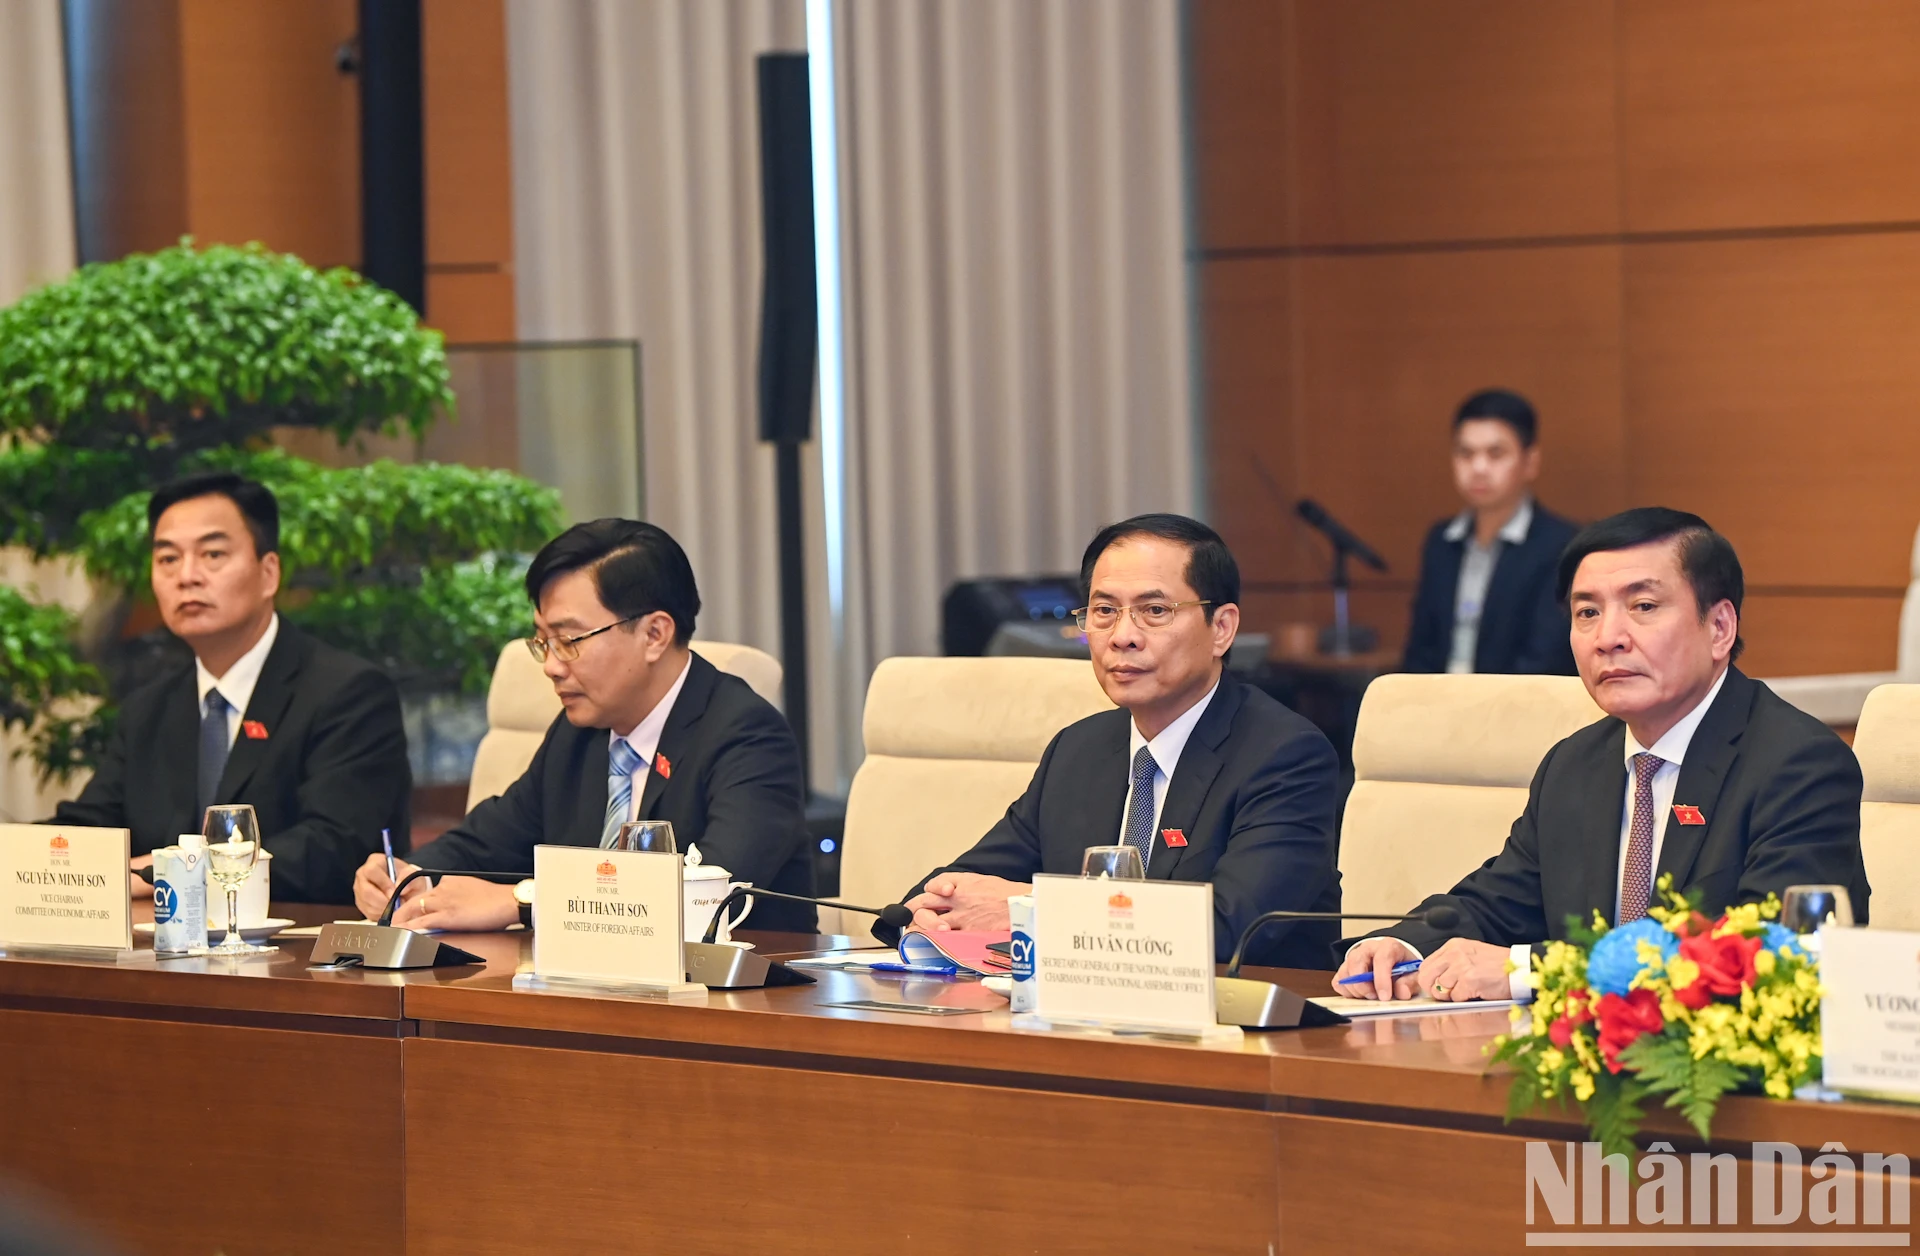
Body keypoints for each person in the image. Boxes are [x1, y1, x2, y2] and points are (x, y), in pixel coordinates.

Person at [1337, 507, 1870, 1002]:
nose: (1608, 637)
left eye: (1643, 606)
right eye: (1587, 612)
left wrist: (1529, 972)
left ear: (1720, 627)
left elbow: (1765, 954)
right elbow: (1499, 903)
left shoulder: (1799, 765)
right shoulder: (1576, 765)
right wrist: (1403, 948)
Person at [888, 513, 1341, 967]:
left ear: (1221, 628)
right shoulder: (1080, 750)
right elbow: (964, 881)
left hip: (1245, 1026)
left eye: (1155, 611)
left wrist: (1029, 907)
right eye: (1104, 611)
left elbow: (1224, 930)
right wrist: (932, 914)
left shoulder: (1284, 755)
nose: (1123, 637)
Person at [354, 519, 815, 932]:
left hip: (733, 1010)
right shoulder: (579, 733)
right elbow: (489, 841)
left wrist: (522, 902)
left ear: (655, 634)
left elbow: (706, 898)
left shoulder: (748, 737)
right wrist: (410, 874)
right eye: (542, 642)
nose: (551, 666)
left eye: (569, 640)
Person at [52, 472, 410, 904]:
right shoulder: (149, 709)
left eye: (213, 554)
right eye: (167, 559)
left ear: (268, 573)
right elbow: (91, 828)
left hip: (300, 957)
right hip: (163, 958)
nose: (187, 576)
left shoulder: (348, 694)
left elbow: (332, 848)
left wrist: (164, 872)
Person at [1402, 388, 1579, 676]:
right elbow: (1419, 651)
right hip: (1437, 707)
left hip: (1515, 710)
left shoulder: (1561, 545)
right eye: (1465, 453)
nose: (1478, 468)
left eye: (1495, 454)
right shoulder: (1441, 541)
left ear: (1530, 461)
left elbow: (1545, 658)